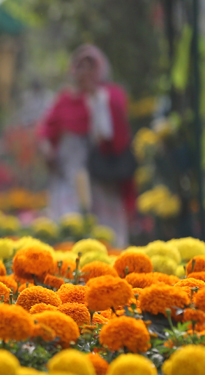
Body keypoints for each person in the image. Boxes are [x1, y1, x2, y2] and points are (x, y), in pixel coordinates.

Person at [37, 45, 133, 247]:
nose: (85, 72)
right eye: (80, 66)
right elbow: (47, 130)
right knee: (70, 226)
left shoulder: (111, 96)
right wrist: (47, 150)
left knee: (106, 231)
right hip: (69, 173)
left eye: (90, 66)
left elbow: (112, 134)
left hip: (103, 175)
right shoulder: (65, 99)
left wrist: (95, 98)